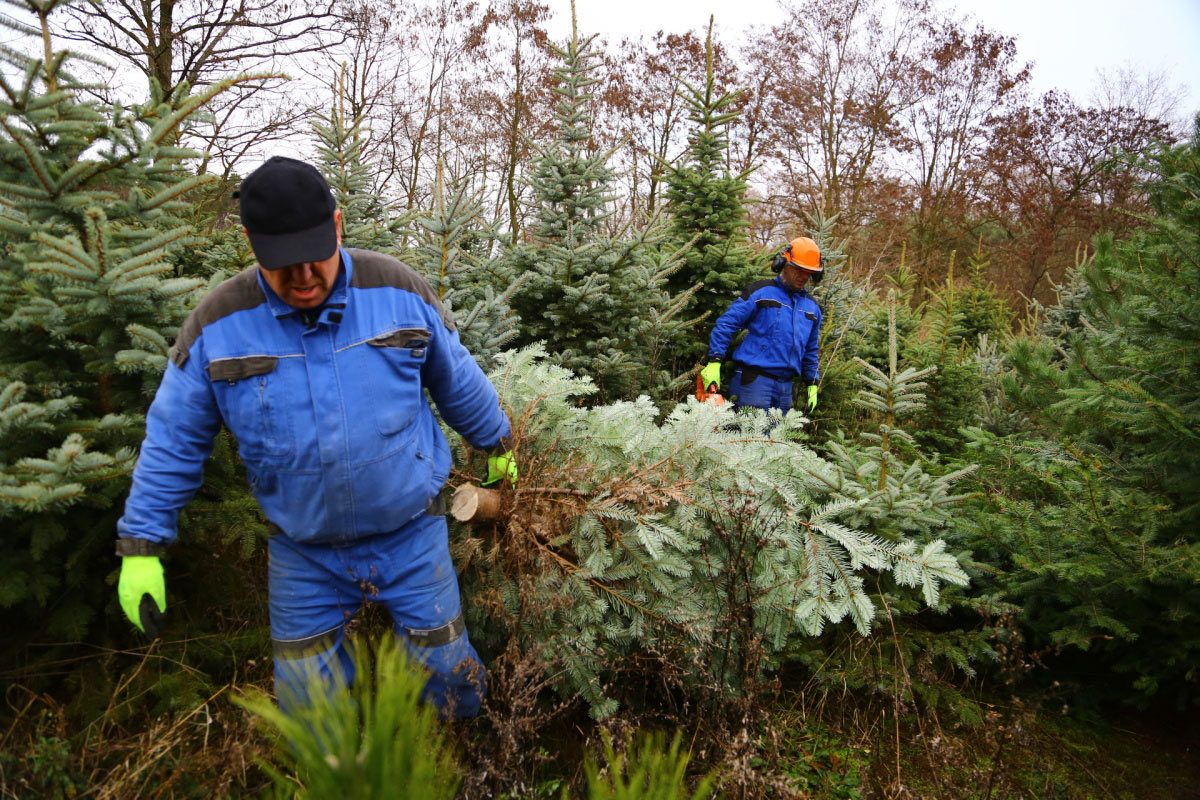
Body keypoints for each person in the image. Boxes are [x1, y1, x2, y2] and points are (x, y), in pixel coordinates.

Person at [113, 156, 515, 717]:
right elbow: (173, 440)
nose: (303, 276)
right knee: (309, 702)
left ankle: (455, 758)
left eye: (314, 256)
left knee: (449, 671)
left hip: (411, 533)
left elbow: (457, 380)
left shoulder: (397, 291)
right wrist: (141, 549)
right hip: (304, 553)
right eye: (284, 263)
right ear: (251, 243)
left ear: (338, 224)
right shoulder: (218, 326)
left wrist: (497, 446)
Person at [700, 237, 824, 413]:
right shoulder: (761, 292)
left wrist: (812, 383)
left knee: (777, 439)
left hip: (786, 388)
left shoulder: (812, 308)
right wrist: (715, 360)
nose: (804, 276)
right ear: (783, 264)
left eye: (809, 272)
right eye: (799, 269)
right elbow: (727, 324)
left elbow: (811, 349)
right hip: (754, 381)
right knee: (748, 438)